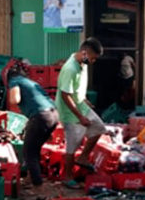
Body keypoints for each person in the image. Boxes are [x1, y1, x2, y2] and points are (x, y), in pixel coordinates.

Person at [56, 38, 106, 188]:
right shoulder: (70, 68)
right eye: (93, 58)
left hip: (80, 105)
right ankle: (67, 177)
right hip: (70, 112)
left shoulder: (82, 64)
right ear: (84, 53)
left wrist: (84, 101)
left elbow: (76, 90)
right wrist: (80, 117)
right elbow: (65, 95)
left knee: (99, 128)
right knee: (72, 145)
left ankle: (83, 157)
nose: (93, 61)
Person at [6, 61, 59, 191]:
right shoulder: (31, 82)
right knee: (35, 149)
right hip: (54, 114)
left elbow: (15, 100)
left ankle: (38, 188)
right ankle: (32, 177)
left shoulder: (14, 81)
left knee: (28, 152)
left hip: (41, 116)